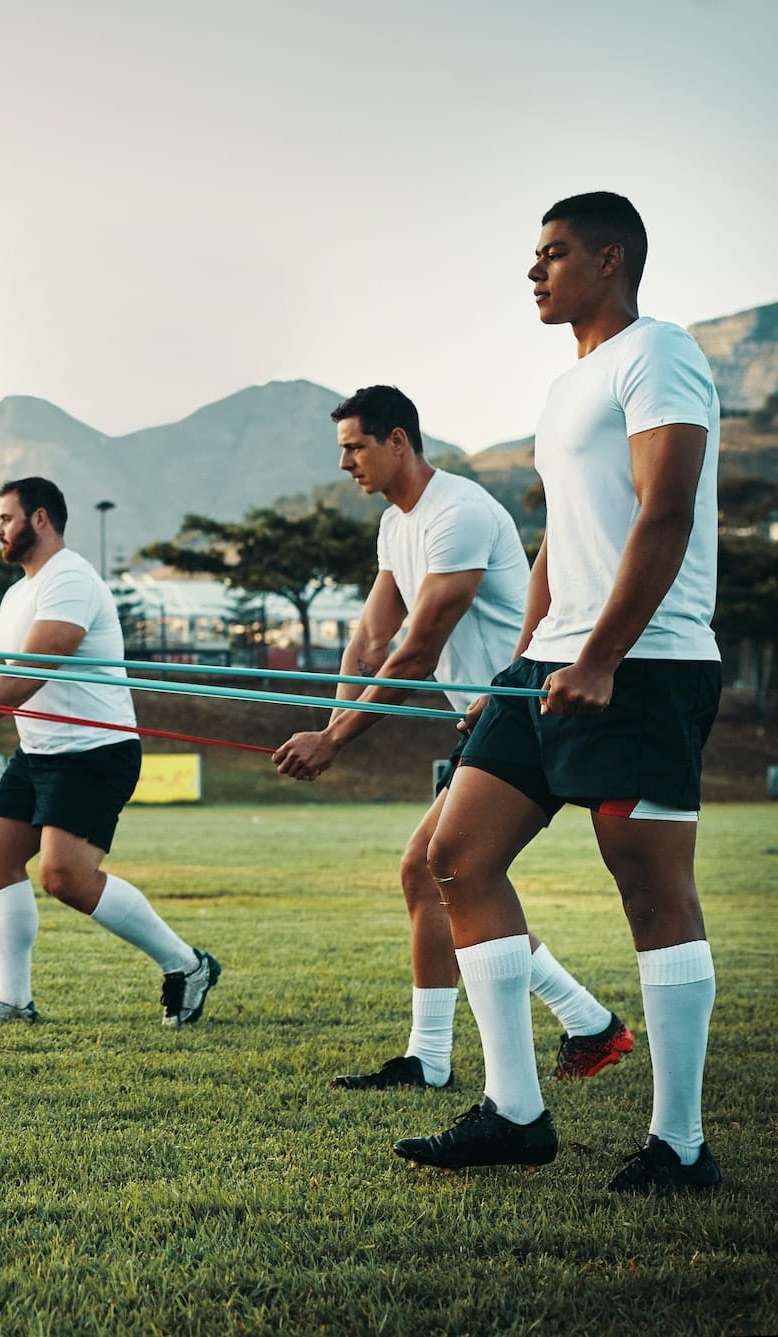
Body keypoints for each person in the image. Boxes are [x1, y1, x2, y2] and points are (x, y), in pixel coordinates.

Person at [393, 192, 724, 1194]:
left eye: (550, 254)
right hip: (547, 664)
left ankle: (678, 1140)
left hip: (646, 663)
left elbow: (663, 514)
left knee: (646, 883)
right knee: (455, 854)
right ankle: (513, 1110)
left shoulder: (656, 353)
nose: (533, 273)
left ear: (608, 258)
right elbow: (556, 539)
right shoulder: (564, 385)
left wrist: (601, 655)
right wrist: (533, 653)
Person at [271, 388, 630, 1090]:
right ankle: (574, 1026)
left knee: (440, 869)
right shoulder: (397, 525)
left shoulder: (457, 513)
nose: (344, 461)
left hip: (524, 714)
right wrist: (332, 725)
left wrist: (336, 740)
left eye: (355, 446)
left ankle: (463, 1054)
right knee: (440, 874)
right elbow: (372, 639)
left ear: (399, 441)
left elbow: (417, 645)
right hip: (484, 718)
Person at [0, 477, 222, 1028]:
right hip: (39, 752)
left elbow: (32, 672)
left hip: (94, 751)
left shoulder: (71, 580)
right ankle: (14, 1002)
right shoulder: (18, 595)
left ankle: (187, 965)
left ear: (39, 519)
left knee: (65, 878)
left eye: (5, 518)